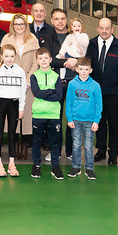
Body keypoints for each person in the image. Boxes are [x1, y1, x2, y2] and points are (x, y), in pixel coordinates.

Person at [84, 18, 118, 165]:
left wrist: (117, 81)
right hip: (95, 92)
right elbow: (87, 64)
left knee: (114, 123)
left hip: (114, 93)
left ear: (112, 29)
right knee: (99, 121)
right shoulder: (91, 44)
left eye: (107, 28)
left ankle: (114, 153)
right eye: (102, 28)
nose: (104, 31)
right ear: (97, 28)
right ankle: (101, 150)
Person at [0, 14, 40, 160]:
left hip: (28, 84)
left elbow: (36, 61)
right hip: (11, 83)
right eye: (16, 24)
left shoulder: (33, 39)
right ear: (12, 25)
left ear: (26, 25)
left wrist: (29, 80)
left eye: (22, 23)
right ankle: (14, 147)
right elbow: (3, 59)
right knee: (13, 117)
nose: (19, 26)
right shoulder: (6, 39)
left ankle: (24, 147)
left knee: (27, 117)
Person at [0, 44, 27, 177]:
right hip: (0, 102)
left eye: (12, 56)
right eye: (6, 56)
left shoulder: (20, 71)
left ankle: (11, 163)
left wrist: (21, 108)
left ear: (15, 56)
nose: (9, 59)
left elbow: (22, 91)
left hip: (14, 104)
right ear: (1, 56)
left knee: (12, 134)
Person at [41, 8, 76, 160]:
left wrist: (77, 61)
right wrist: (68, 62)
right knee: (55, 118)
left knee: (71, 118)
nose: (60, 21)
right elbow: (49, 59)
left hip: (73, 83)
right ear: (52, 21)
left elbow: (83, 56)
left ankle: (70, 151)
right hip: (56, 84)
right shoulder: (48, 37)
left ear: (66, 20)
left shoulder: (75, 37)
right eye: (57, 19)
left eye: (62, 18)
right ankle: (54, 151)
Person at [30, 47, 65, 180]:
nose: (43, 61)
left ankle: (55, 167)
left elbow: (59, 96)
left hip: (53, 115)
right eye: (40, 58)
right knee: (37, 142)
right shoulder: (34, 76)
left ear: (50, 60)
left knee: (54, 143)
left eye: (46, 58)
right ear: (37, 61)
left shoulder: (56, 77)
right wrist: (51, 90)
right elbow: (36, 93)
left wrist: (44, 93)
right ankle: (36, 166)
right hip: (38, 115)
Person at [65, 57, 102, 180]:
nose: (84, 72)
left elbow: (99, 104)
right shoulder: (72, 84)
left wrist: (96, 121)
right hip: (75, 120)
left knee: (88, 146)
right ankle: (76, 167)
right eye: (81, 69)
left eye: (86, 69)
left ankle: (89, 168)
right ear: (76, 69)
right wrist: (69, 119)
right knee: (75, 145)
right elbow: (68, 102)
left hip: (89, 121)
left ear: (91, 70)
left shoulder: (95, 86)